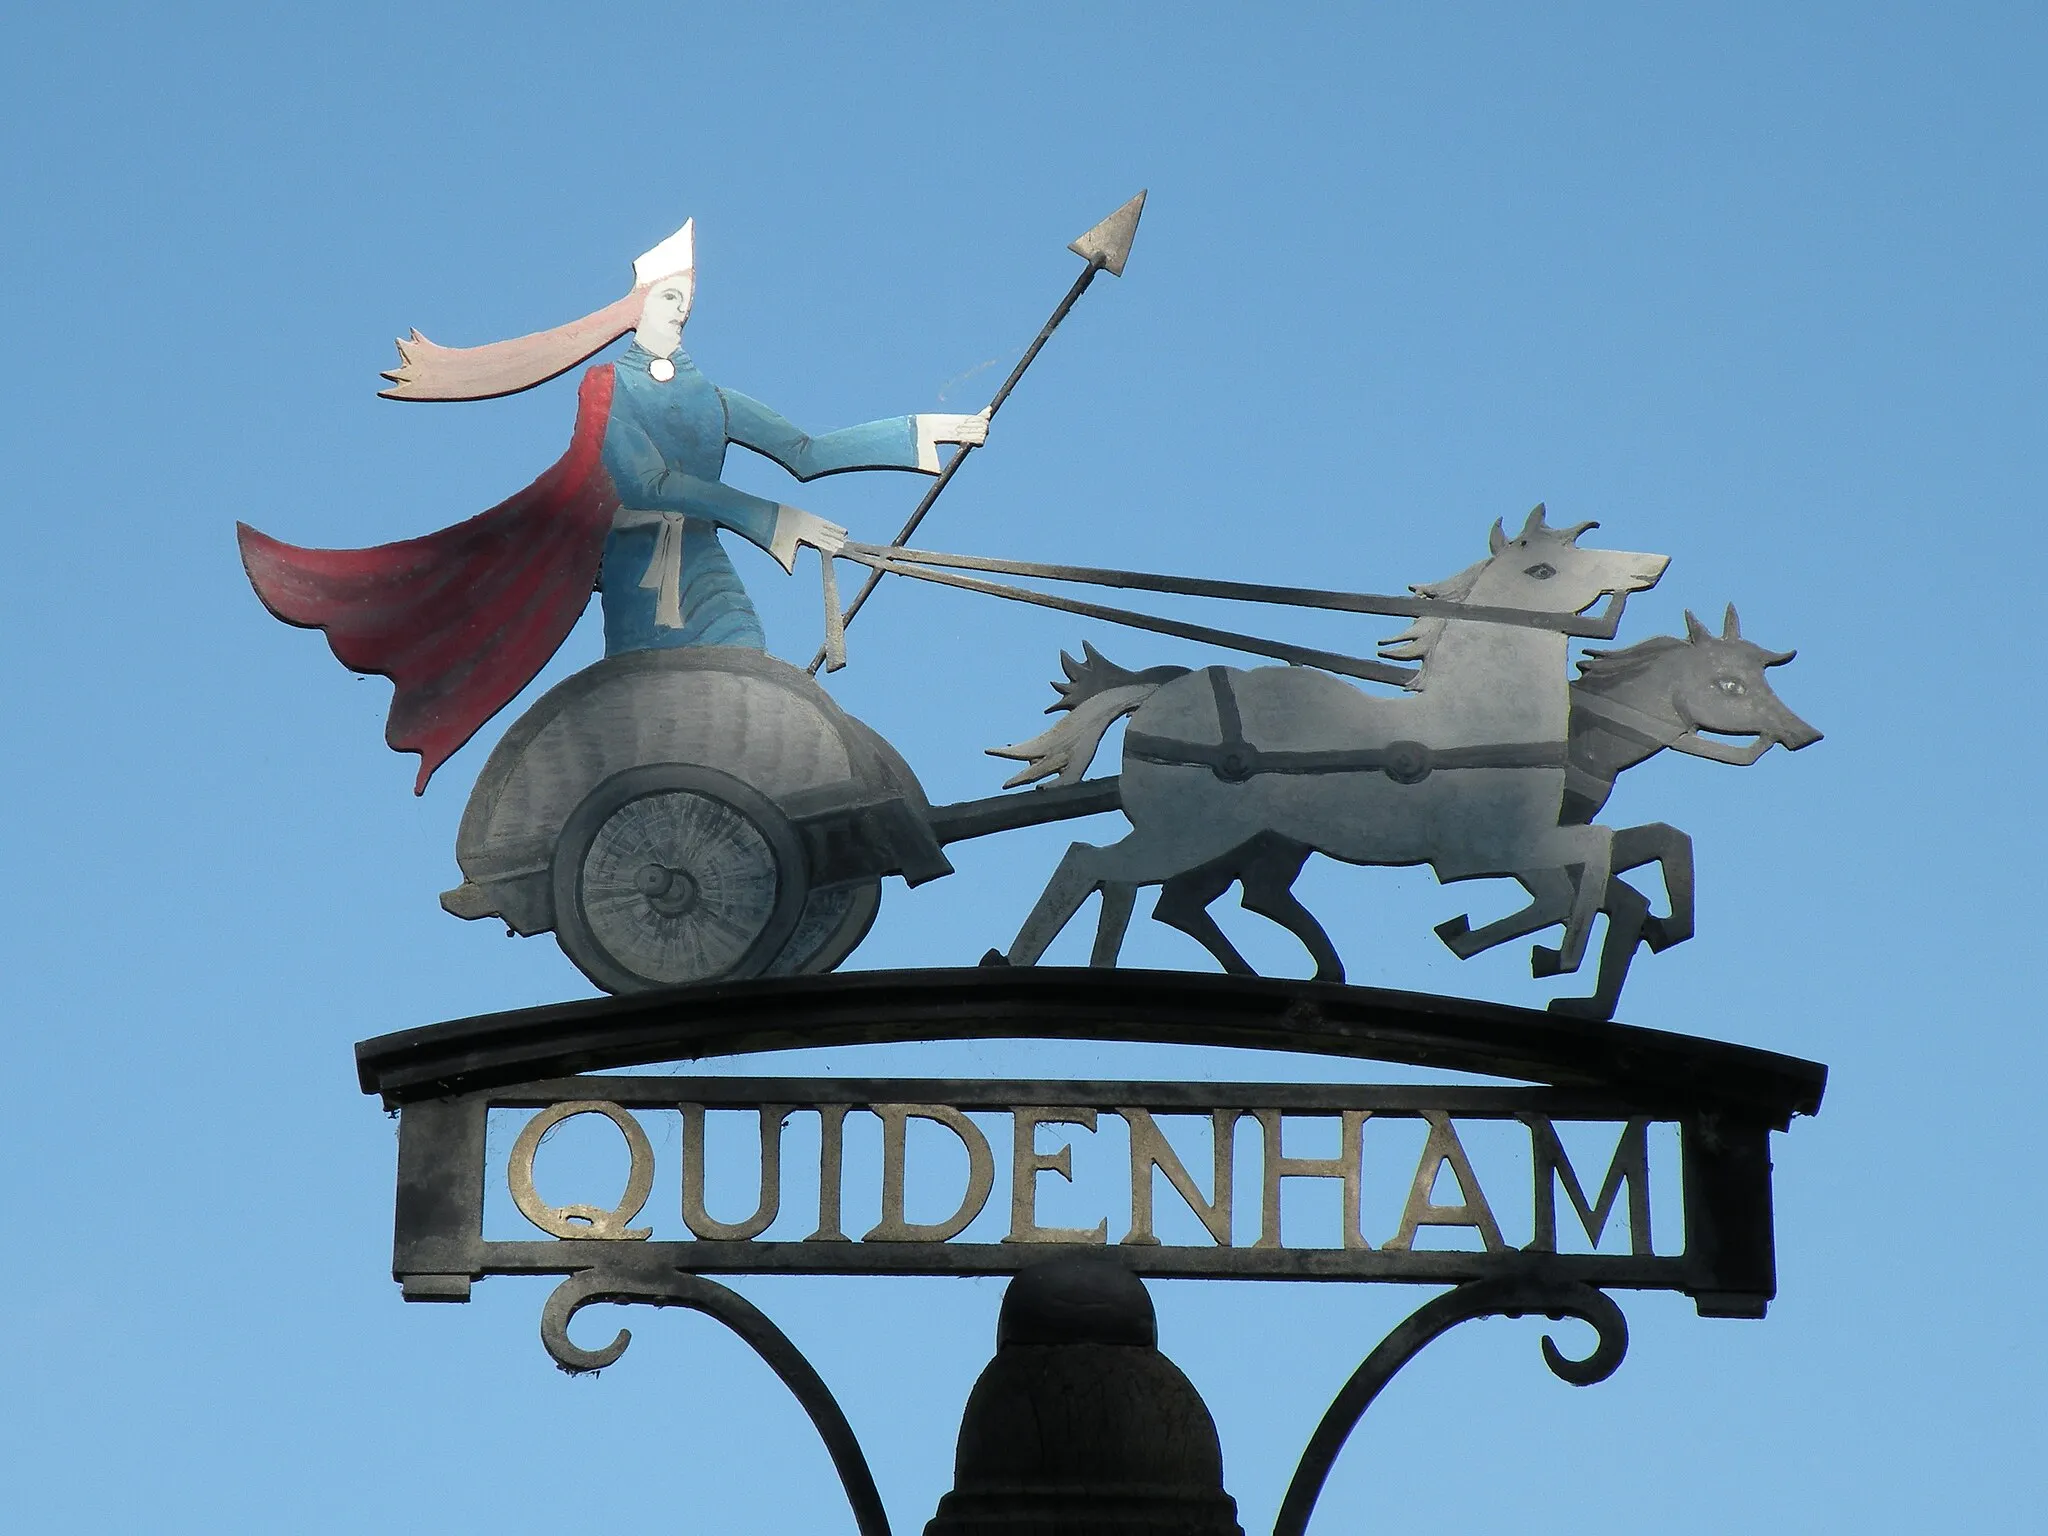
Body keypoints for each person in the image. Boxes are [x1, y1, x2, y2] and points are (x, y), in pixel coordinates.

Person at [239, 220, 987, 792]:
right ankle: (662, 797)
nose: (680, 316)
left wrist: (929, 431)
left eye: (686, 304)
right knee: (658, 699)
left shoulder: (712, 398)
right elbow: (648, 484)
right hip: (644, 571)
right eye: (669, 300)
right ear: (635, 308)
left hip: (703, 562)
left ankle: (729, 795)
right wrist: (772, 521)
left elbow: (808, 451)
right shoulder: (610, 390)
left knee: (744, 663)